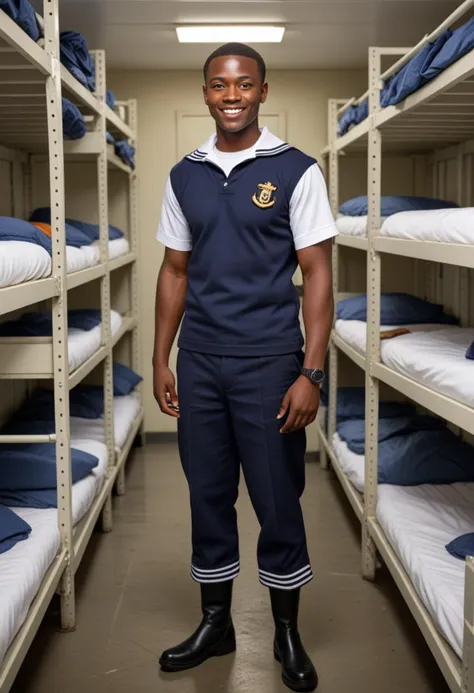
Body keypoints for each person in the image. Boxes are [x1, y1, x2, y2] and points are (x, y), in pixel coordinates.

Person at [153, 42, 337, 692]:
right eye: (219, 85)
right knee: (207, 494)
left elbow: (317, 273)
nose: (231, 95)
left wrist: (310, 371)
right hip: (201, 360)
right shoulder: (185, 175)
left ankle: (286, 630)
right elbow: (174, 269)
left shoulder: (296, 171)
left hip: (269, 361)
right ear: (206, 93)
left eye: (244, 84)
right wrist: (161, 356)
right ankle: (216, 622)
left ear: (262, 90)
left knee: (276, 498)